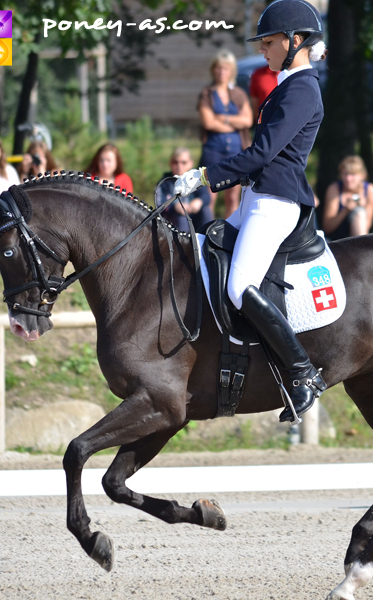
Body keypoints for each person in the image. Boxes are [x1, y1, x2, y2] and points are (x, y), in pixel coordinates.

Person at [174, 0, 328, 422]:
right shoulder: (285, 84)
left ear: (295, 41)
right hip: (256, 199)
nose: (262, 48)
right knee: (205, 253)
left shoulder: (302, 88)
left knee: (240, 286)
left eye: (269, 41)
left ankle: (302, 374)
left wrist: (203, 177)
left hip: (276, 202)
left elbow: (262, 154)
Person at [197, 50, 253, 218]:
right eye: (219, 68)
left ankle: (229, 232)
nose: (222, 72)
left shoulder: (239, 94)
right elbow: (208, 122)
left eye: (226, 68)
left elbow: (248, 121)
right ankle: (207, 230)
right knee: (210, 196)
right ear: (213, 70)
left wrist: (223, 119)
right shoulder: (207, 94)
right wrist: (234, 123)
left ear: (232, 71)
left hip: (236, 150)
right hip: (213, 149)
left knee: (233, 196)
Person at [155, 148, 213, 233]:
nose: (179, 166)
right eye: (176, 162)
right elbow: (159, 204)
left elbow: (206, 196)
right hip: (173, 221)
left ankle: (209, 240)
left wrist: (199, 201)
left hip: (194, 217)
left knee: (206, 211)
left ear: (190, 163)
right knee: (181, 218)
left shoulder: (196, 179)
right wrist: (174, 207)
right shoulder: (164, 183)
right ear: (170, 163)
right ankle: (181, 245)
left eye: (183, 162)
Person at [323, 156, 373, 240]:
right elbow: (327, 228)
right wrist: (346, 210)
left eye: (353, 174)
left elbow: (366, 228)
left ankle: (358, 249)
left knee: (359, 212)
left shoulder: (369, 190)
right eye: (345, 174)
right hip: (336, 240)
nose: (348, 179)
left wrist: (361, 207)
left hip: (358, 240)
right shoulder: (334, 189)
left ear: (362, 175)